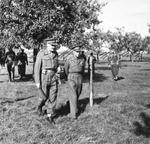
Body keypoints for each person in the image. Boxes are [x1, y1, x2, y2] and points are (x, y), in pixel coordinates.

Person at [34, 37, 59, 123]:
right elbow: (36, 69)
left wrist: (58, 70)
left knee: (53, 97)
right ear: (47, 45)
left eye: (55, 46)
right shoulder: (41, 54)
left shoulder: (56, 54)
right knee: (43, 97)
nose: (54, 47)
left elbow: (56, 66)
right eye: (52, 46)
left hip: (53, 77)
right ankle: (39, 106)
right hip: (44, 78)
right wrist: (37, 82)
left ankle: (49, 115)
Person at [64, 47, 86, 120]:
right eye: (76, 51)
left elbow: (83, 69)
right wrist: (69, 77)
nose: (78, 53)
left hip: (79, 77)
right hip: (71, 77)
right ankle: (73, 115)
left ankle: (72, 105)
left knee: (78, 93)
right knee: (73, 95)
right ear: (73, 52)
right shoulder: (69, 59)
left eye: (79, 51)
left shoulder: (82, 59)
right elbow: (66, 69)